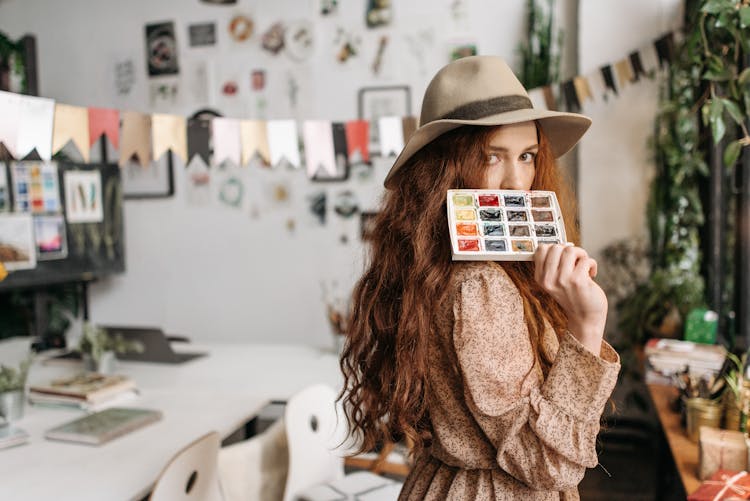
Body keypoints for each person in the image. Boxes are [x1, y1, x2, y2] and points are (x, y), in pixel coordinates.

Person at [339, 55, 621, 500]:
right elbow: (546, 463)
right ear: (444, 171)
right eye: (492, 157)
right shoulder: (480, 286)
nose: (516, 183)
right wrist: (586, 325)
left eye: (527, 156)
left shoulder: (440, 266)